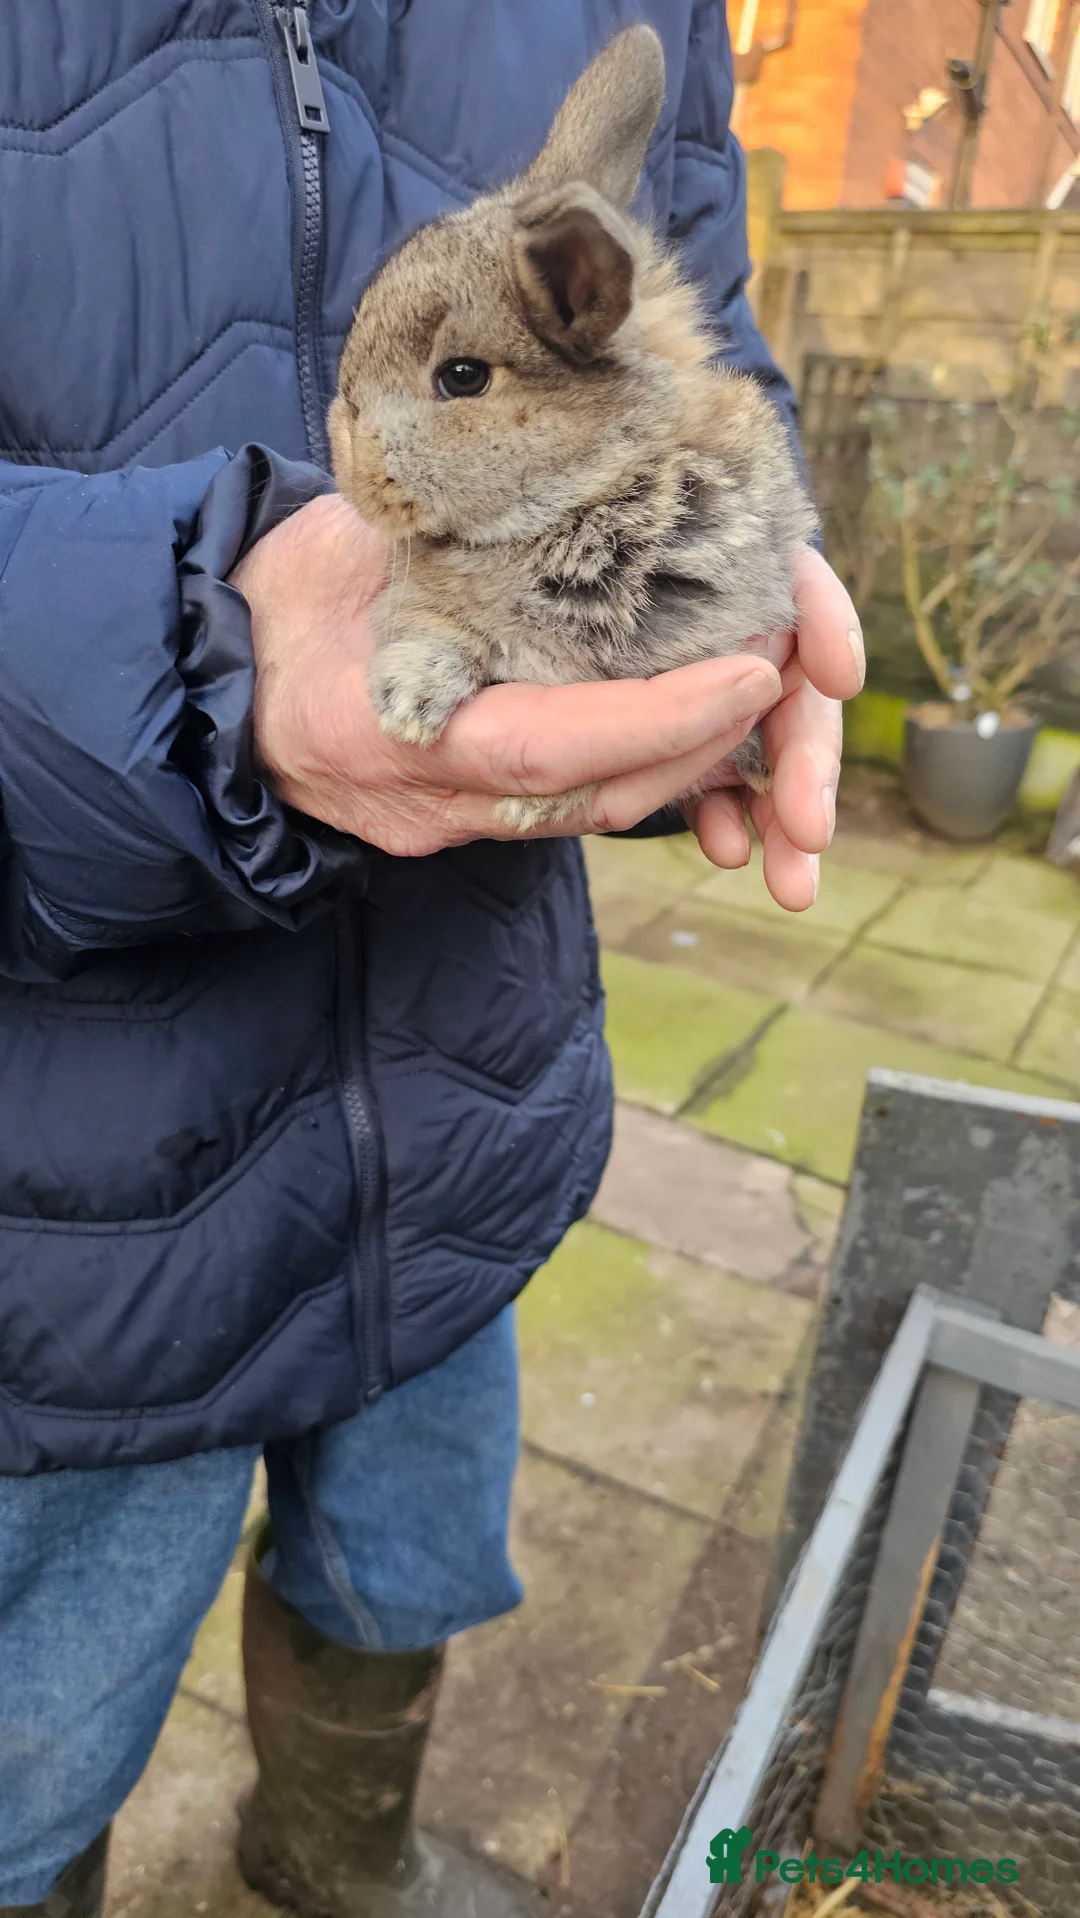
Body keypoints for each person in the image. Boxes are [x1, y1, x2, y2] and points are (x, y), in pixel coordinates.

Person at [0, 6, 863, 1917]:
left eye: (440, 384)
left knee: (407, 1546)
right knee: (39, 1699)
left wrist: (726, 588)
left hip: (459, 1088)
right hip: (66, 1167)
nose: (339, 446)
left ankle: (328, 1854)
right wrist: (193, 667)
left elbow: (692, 309)